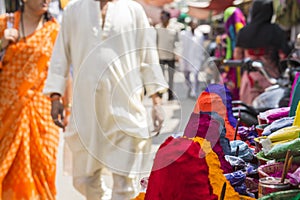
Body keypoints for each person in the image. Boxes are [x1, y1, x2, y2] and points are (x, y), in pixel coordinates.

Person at [43, 0, 168, 199]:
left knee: (124, 182)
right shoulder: (73, 10)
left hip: (125, 108)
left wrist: (157, 102)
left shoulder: (133, 10)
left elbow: (148, 58)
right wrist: (56, 96)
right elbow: (60, 56)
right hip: (86, 110)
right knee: (84, 179)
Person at [0, 0, 61, 199]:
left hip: (43, 116)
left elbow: (62, 72)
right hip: (6, 115)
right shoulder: (5, 24)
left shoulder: (55, 31)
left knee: (43, 170)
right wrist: (1, 44)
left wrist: (64, 106)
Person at [234, 0, 291, 105]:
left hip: (250, 81)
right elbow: (284, 56)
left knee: (248, 112)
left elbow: (237, 56)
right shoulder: (276, 31)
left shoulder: (244, 32)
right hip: (272, 79)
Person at [222, 6, 246, 100]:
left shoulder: (228, 34)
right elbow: (240, 30)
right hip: (239, 55)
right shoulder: (239, 26)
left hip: (231, 56)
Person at [155, 10, 179, 101]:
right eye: (161, 17)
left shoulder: (174, 28)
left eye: (163, 17)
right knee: (161, 76)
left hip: (171, 56)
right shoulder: (157, 28)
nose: (162, 19)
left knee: (171, 77)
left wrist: (177, 54)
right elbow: (155, 41)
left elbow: (178, 42)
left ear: (168, 18)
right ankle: (161, 93)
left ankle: (170, 94)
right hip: (160, 55)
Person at [179, 17, 204, 99]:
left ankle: (194, 91)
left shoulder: (200, 35)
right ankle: (189, 87)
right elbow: (180, 45)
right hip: (186, 58)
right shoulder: (183, 34)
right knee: (186, 75)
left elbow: (201, 47)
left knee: (195, 75)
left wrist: (201, 58)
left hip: (196, 58)